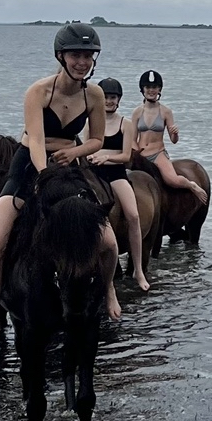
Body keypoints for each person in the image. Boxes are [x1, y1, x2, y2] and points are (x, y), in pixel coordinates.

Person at [0, 24, 120, 353]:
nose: (83, 62)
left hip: (68, 163)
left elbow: (96, 140)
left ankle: (108, 291)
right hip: (29, 164)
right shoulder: (38, 91)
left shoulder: (92, 94)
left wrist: (74, 154)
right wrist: (43, 173)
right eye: (76, 55)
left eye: (88, 56)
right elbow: (35, 140)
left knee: (107, 241)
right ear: (61, 56)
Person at [86, 77, 150, 292]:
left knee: (133, 215)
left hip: (115, 174)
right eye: (106, 97)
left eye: (113, 98)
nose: (109, 101)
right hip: (93, 173)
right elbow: (85, 148)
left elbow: (125, 156)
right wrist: (92, 158)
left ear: (118, 100)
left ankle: (138, 269)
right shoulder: (90, 122)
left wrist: (106, 158)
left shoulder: (126, 124)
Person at [130, 69, 208, 205]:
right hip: (141, 155)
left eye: (154, 87)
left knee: (172, 180)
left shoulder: (165, 111)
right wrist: (136, 154)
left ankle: (191, 185)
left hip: (157, 154)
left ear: (159, 89)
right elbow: (132, 138)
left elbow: (174, 140)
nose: (151, 90)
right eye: (148, 87)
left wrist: (175, 133)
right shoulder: (137, 112)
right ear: (143, 89)